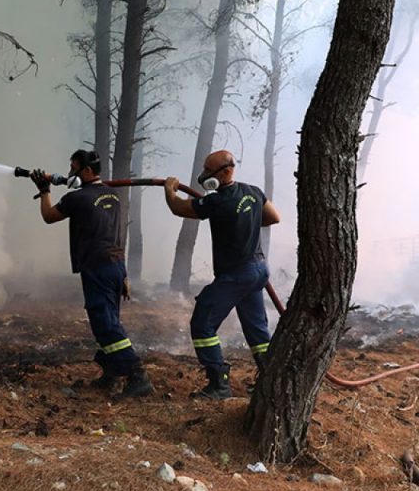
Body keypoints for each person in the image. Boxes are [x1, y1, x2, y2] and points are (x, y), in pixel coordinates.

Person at [29, 149, 153, 399]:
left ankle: (136, 375)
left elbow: (48, 216)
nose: (70, 172)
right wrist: (124, 274)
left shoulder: (78, 198)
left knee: (105, 324)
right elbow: (115, 234)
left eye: (73, 168)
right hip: (116, 266)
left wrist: (44, 189)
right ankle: (112, 374)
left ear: (86, 171)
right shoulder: (113, 195)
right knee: (110, 321)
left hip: (97, 267)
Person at [163, 149, 281, 399]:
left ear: (226, 171)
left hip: (237, 274)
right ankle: (272, 383)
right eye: (205, 168)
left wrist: (169, 189)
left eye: (209, 171)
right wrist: (244, 220)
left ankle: (219, 384)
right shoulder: (253, 191)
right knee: (257, 331)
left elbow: (179, 208)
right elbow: (273, 217)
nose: (204, 175)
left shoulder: (218, 201)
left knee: (203, 322)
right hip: (259, 270)